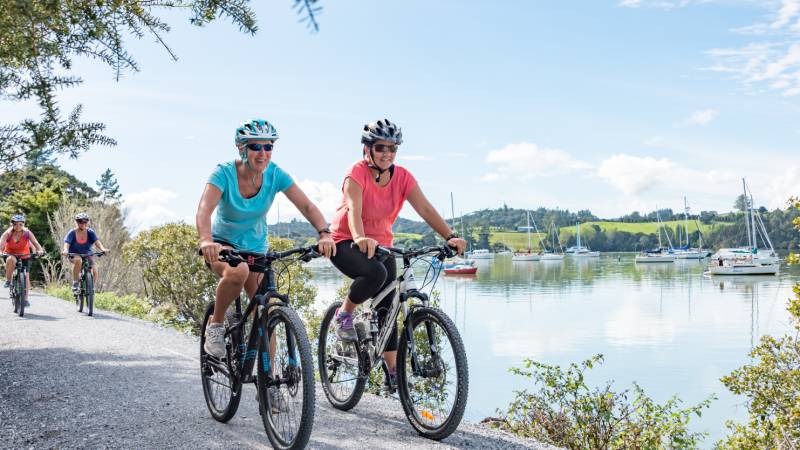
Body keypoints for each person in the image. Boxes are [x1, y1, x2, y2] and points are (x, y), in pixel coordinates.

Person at [328, 118, 467, 389]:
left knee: (388, 307)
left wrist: (449, 236)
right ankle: (344, 315)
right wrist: (359, 238)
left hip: (382, 244)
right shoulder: (355, 173)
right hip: (346, 241)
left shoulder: (402, 176)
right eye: (381, 147)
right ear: (367, 149)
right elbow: (354, 210)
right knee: (376, 273)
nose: (387, 154)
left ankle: (393, 373)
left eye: (393, 149)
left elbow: (425, 210)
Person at [196, 118, 336, 362]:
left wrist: (324, 232)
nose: (263, 153)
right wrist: (206, 240)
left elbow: (306, 205)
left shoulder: (275, 174)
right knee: (237, 272)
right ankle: (216, 325)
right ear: (242, 148)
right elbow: (204, 210)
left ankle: (271, 386)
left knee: (267, 310)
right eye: (255, 147)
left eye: (268, 147)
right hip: (222, 245)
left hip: (257, 249)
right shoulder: (223, 173)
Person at [1, 214, 45, 305]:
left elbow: (35, 243)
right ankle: (9, 280)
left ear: (23, 224)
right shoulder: (8, 233)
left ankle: (25, 299)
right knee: (11, 260)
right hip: (11, 254)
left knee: (26, 276)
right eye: (15, 224)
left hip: (24, 255)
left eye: (20, 224)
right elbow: (1, 245)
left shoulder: (27, 233)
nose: (18, 226)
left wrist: (40, 250)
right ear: (12, 224)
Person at [61, 213, 109, 293]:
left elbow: (97, 242)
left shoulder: (90, 232)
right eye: (80, 221)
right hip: (74, 254)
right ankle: (75, 283)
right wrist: (65, 250)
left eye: (85, 222)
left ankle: (90, 289)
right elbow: (66, 243)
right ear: (76, 222)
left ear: (87, 222)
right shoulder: (72, 232)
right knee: (79, 261)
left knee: (95, 271)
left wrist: (103, 249)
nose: (83, 224)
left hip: (87, 254)